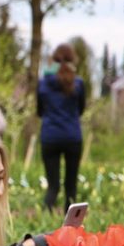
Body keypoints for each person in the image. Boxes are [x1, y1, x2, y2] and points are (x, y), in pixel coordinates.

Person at [37, 43, 85, 214]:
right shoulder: (78, 84)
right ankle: (70, 226)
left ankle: (43, 222)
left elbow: (40, 111)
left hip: (50, 137)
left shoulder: (43, 84)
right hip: (72, 137)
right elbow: (80, 110)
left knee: (53, 186)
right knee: (71, 185)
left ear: (54, 60)